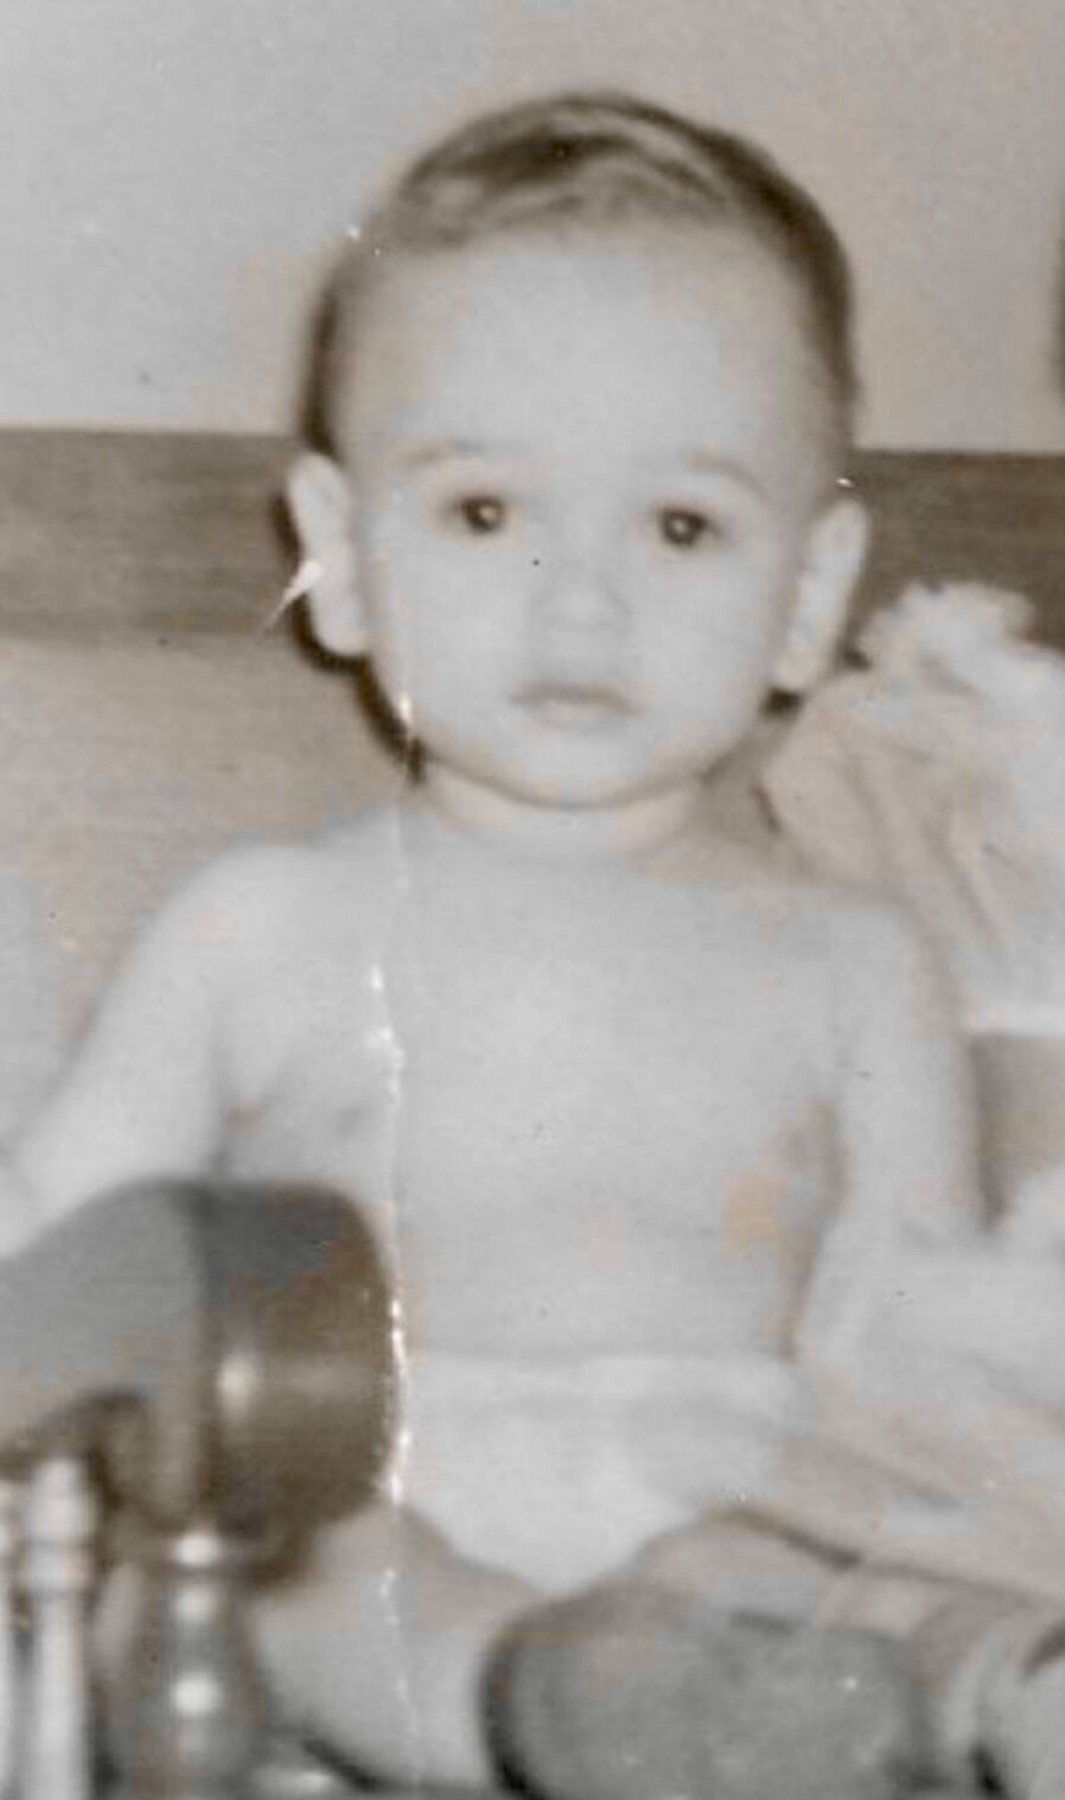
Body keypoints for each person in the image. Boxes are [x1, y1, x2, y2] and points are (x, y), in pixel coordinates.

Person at [3, 91, 1063, 1795]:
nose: (583, 599)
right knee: (299, 1568)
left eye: (680, 526)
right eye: (487, 513)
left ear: (808, 593)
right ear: (340, 559)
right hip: (362, 1511)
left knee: (885, 1566)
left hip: (743, 1529)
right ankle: (537, 1691)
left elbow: (916, 1369)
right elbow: (60, 1270)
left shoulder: (858, 962)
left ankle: (960, 1689)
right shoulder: (259, 928)